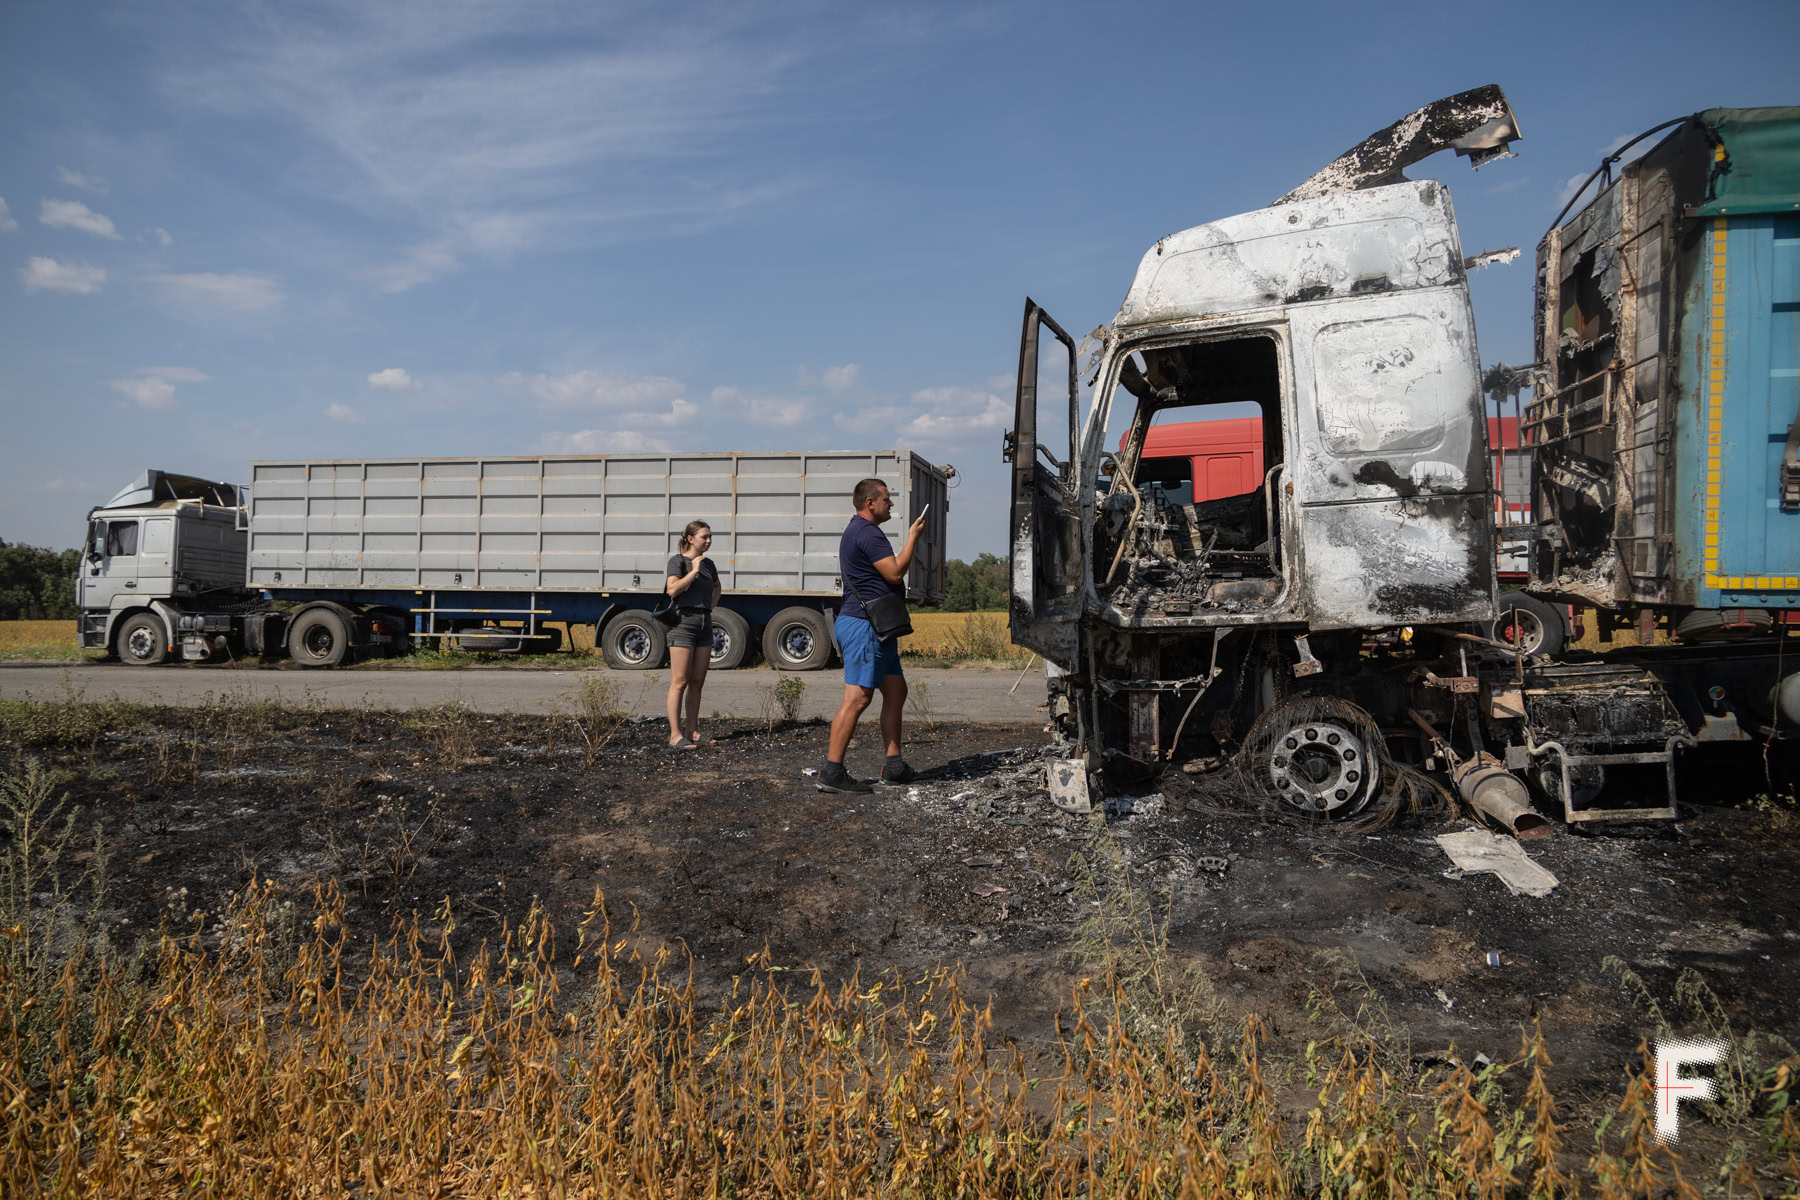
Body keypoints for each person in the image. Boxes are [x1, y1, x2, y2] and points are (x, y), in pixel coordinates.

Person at [817, 478, 927, 793]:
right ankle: (831, 773)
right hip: (865, 626)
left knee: (896, 691)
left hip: (877, 627)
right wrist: (913, 539)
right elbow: (894, 572)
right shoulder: (867, 532)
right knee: (858, 697)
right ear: (870, 503)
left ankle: (894, 767)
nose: (891, 504)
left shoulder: (859, 530)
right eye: (887, 499)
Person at [664, 520, 722, 749]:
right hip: (683, 623)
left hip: (704, 622)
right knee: (680, 681)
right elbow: (672, 590)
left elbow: (717, 586)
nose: (708, 541)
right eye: (703, 537)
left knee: (697, 681)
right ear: (690, 539)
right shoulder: (678, 561)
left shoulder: (710, 564)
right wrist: (694, 570)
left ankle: (692, 731)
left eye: (710, 537)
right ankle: (675, 735)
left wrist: (711, 604)